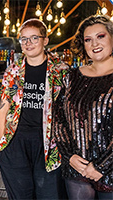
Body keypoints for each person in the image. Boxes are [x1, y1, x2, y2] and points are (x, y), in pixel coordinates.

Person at [0, 18, 68, 199]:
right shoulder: (12, 72)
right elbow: (3, 109)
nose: (28, 43)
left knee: (50, 195)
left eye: (34, 38)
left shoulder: (61, 71)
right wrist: (2, 146)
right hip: (15, 142)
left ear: (45, 40)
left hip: (49, 144)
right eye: (24, 39)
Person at [52, 15, 113, 200]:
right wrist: (69, 156)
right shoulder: (71, 77)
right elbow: (58, 118)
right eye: (88, 39)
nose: (94, 43)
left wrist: (101, 166)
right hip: (76, 168)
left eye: (100, 36)